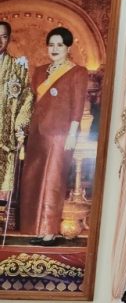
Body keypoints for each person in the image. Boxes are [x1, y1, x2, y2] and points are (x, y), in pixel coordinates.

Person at [19, 27, 89, 246]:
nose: (55, 49)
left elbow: (77, 104)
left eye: (60, 45)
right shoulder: (40, 71)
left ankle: (49, 232)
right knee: (34, 180)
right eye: (51, 45)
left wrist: (72, 133)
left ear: (68, 48)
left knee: (53, 181)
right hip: (37, 134)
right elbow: (31, 102)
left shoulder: (77, 72)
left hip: (60, 136)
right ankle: (37, 229)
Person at [0, 21, 33, 214]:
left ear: (9, 39)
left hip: (5, 139)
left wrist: (20, 127)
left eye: (3, 36)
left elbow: (26, 99)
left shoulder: (18, 67)